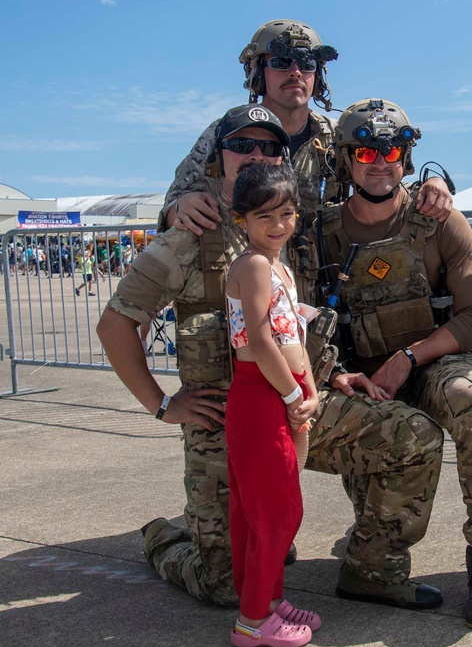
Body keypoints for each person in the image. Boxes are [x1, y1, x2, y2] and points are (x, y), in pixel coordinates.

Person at [98, 103, 444, 611]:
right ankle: (166, 538)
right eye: (243, 145)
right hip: (228, 423)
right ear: (219, 159)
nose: (256, 154)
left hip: (301, 404)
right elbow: (115, 324)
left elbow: (294, 320)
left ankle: (371, 569)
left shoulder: (293, 228)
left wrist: (331, 372)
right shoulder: (192, 236)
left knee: (412, 438)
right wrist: (162, 405)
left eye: (270, 147)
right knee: (228, 586)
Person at [309, 98, 472, 628]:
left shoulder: (441, 223)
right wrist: (333, 374)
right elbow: (290, 314)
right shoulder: (318, 234)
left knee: (471, 401)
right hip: (355, 376)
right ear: (345, 160)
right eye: (366, 151)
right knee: (381, 473)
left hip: (428, 365)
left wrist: (409, 357)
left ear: (408, 155)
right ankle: (372, 553)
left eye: (392, 148)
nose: (380, 161)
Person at [159, 18, 453, 294]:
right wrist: (181, 205)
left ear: (318, 75)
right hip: (248, 287)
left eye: (307, 63)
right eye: (281, 62)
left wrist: (429, 188)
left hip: (322, 290)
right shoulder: (227, 135)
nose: (296, 72)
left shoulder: (338, 137)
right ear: (258, 74)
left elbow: (379, 183)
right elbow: (175, 205)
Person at [225, 163, 319, 647]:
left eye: (286, 213)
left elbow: (292, 335)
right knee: (277, 512)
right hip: (262, 394)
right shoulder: (255, 264)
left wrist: (311, 387)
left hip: (282, 391)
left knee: (265, 507)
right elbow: (261, 342)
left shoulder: (278, 264)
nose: (278, 224)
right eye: (264, 216)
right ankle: (253, 619)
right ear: (242, 218)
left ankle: (268, 601)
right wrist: (291, 395)